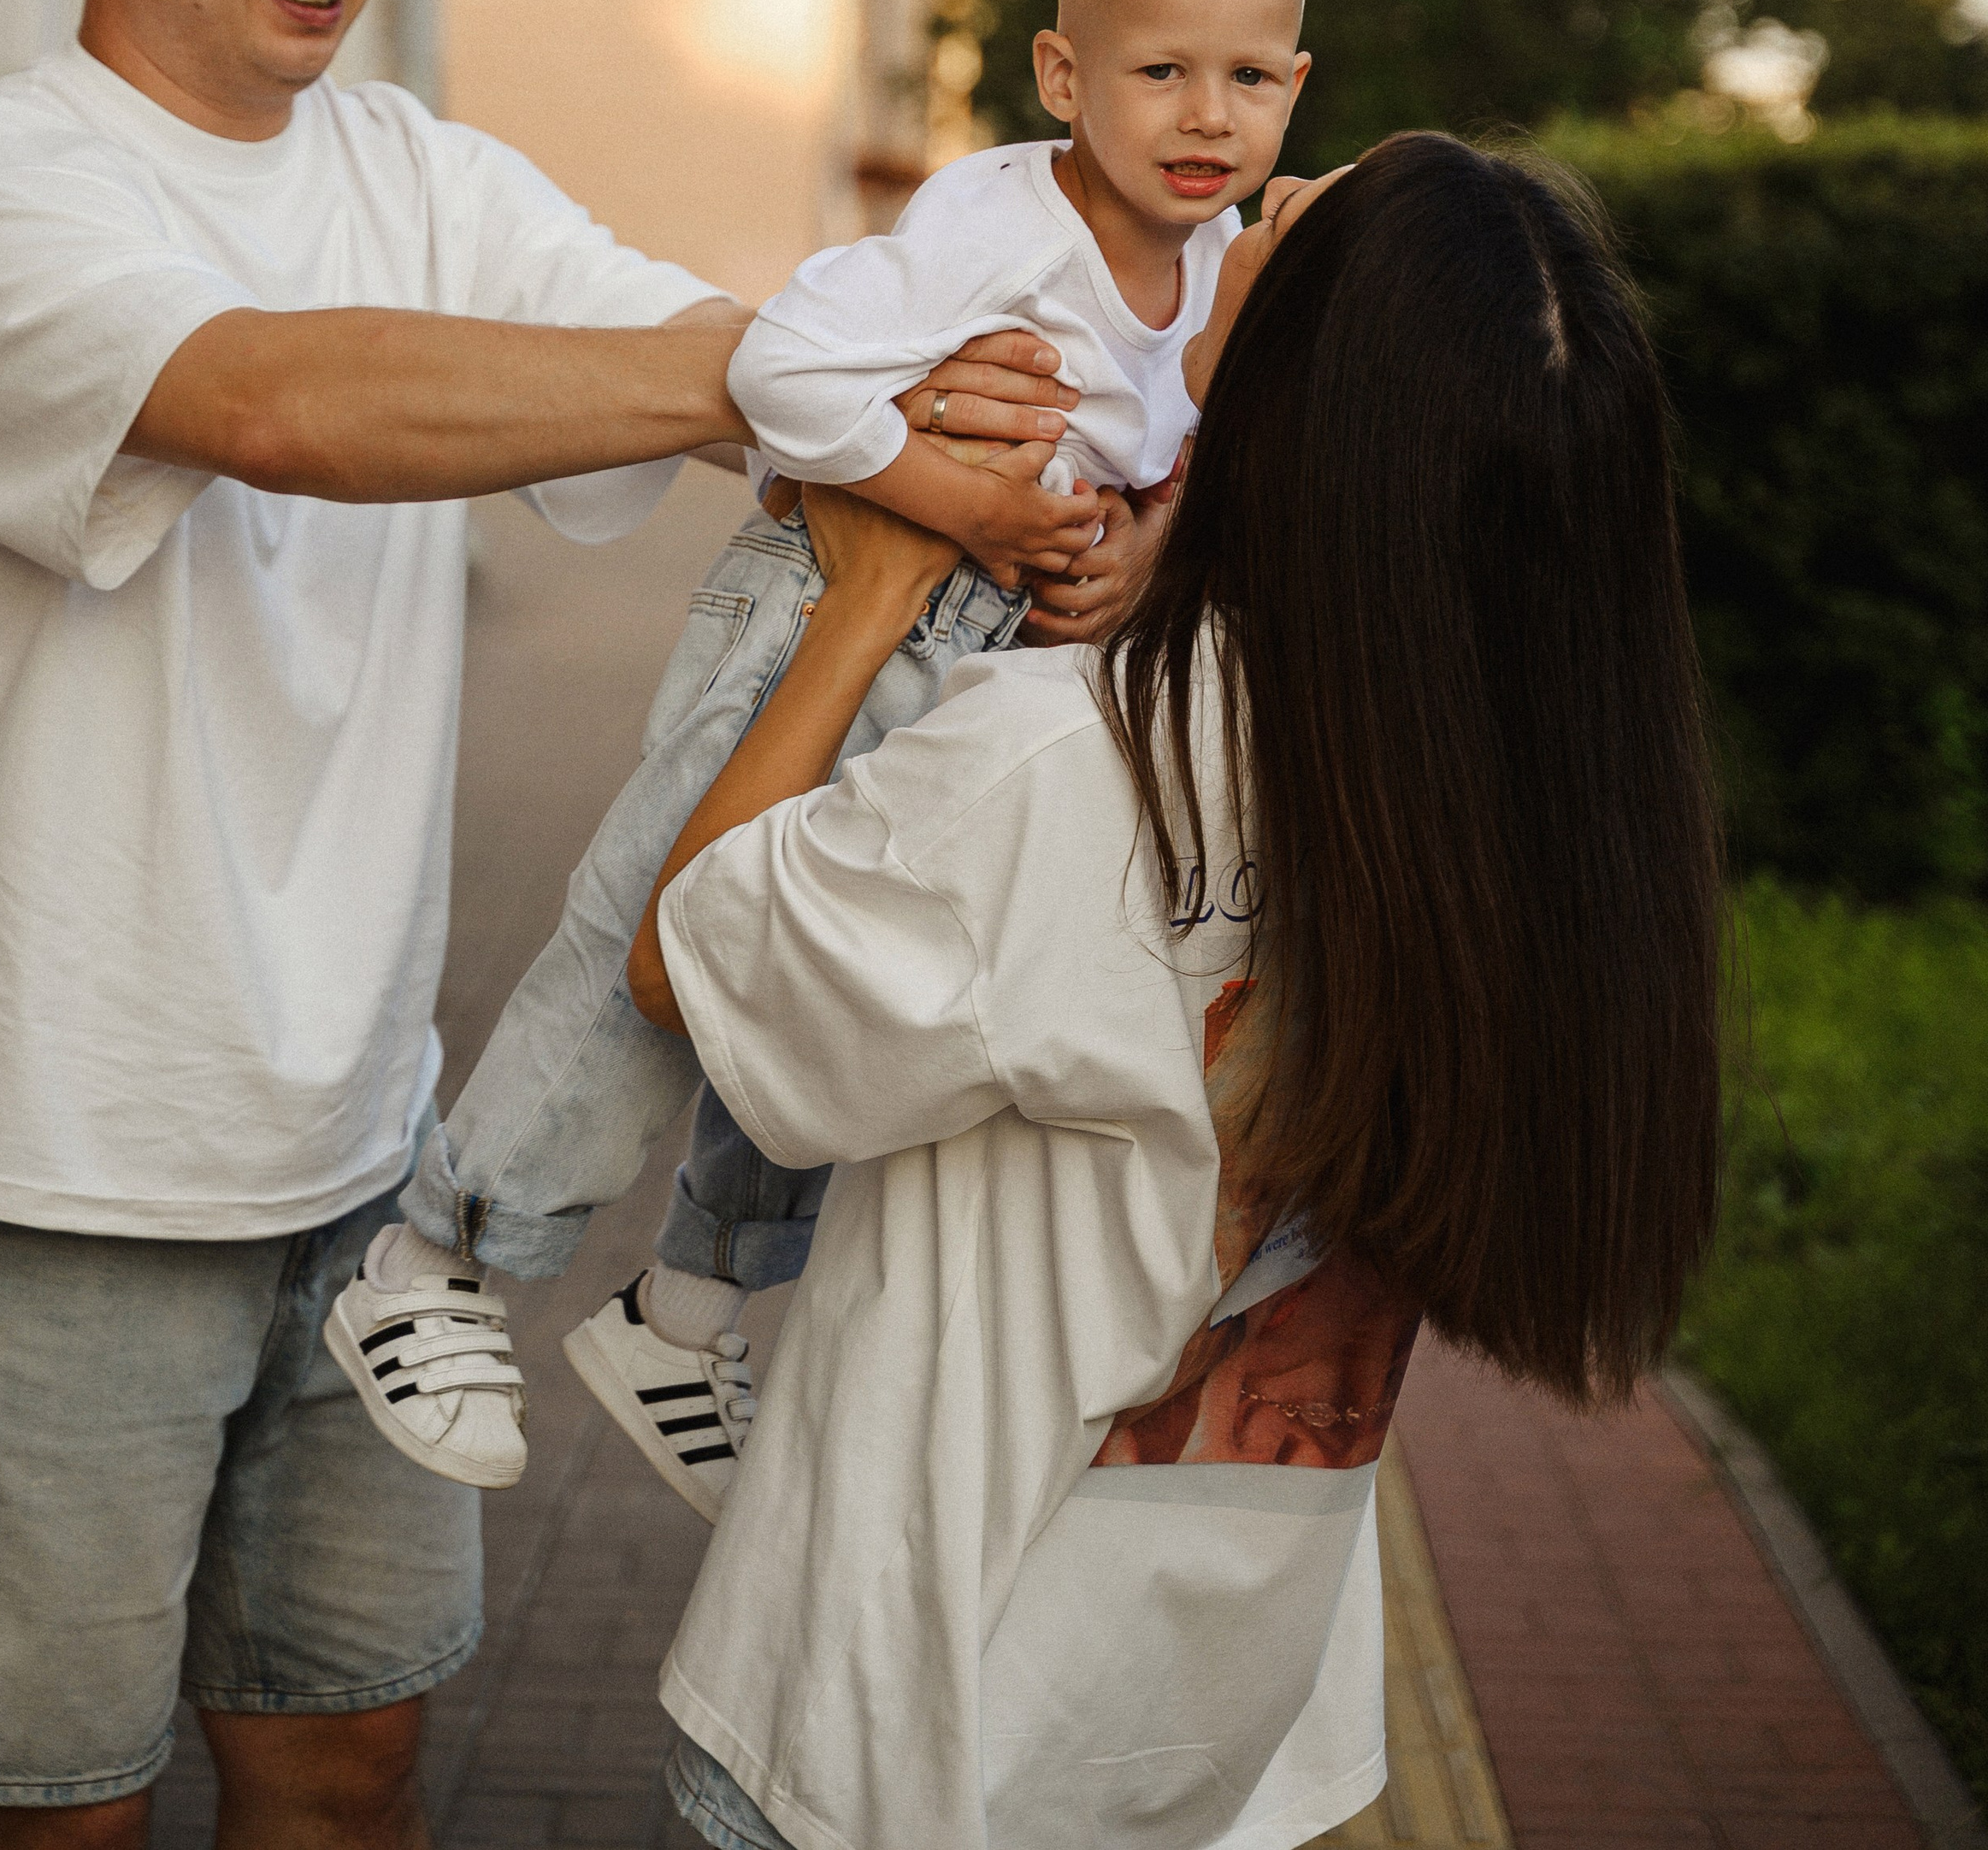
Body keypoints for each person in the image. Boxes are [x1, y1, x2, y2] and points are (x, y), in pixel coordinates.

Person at [0, 0, 1074, 1845]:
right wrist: (791, 391)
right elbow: (282, 401)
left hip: (366, 1160)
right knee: (53, 1813)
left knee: (351, 1760)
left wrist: (970, 404)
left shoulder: (425, 170)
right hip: (42, 1167)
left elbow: (688, 330)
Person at [628, 133, 1728, 1850]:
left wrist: (867, 593)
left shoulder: (1079, 764)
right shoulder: (1542, 808)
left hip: (897, 1746)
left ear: (1301, 396)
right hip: (1220, 1738)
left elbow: (690, 958)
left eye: (1274, 226)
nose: (1229, 209)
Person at [327, 0, 1313, 1510]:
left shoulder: (1213, 264)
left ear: (1296, 83)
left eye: (1245, 77)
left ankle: (684, 1308)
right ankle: (431, 1264)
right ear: (1063, 74)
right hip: (818, 607)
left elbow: (1172, 459)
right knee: (648, 935)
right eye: (1158, 71)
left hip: (976, 659)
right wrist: (940, 498)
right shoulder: (994, 222)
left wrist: (1127, 547)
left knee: (827, 996)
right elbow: (780, 363)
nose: (1204, 115)